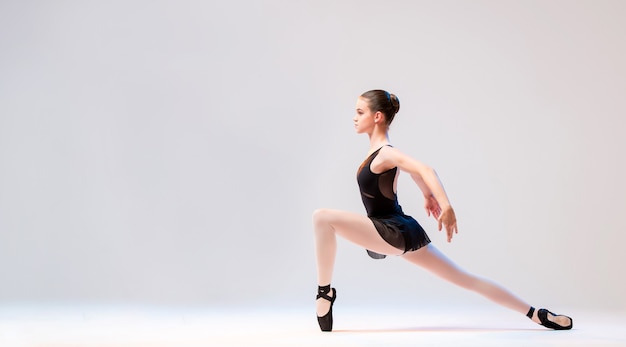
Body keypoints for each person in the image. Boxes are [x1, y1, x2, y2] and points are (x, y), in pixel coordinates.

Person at [312, 89, 573, 332]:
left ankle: (325, 293)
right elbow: (413, 174)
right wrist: (426, 194)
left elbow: (426, 169)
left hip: (390, 230)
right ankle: (536, 313)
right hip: (400, 230)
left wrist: (446, 205)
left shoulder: (385, 154)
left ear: (377, 116)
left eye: (360, 112)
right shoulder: (379, 154)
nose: (354, 118)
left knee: (322, 218)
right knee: (466, 279)